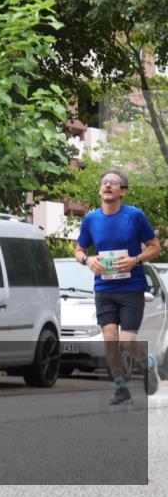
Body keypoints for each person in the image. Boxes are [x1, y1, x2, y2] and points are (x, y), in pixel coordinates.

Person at [74, 169, 162, 404]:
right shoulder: (91, 219)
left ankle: (148, 363)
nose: (108, 186)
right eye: (104, 183)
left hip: (132, 288)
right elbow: (79, 250)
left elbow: (155, 247)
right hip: (104, 290)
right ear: (100, 189)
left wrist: (136, 260)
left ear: (122, 191)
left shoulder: (134, 216)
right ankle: (121, 387)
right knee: (110, 339)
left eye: (113, 183)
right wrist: (88, 260)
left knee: (128, 341)